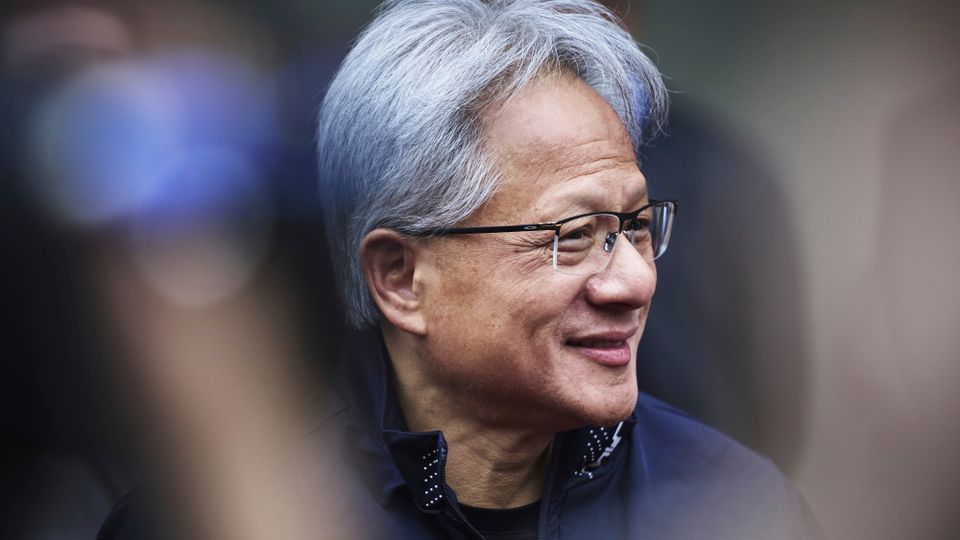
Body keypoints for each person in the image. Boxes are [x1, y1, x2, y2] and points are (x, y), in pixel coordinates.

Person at [100, 0, 822, 538]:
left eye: (634, 227)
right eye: (573, 236)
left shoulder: (736, 507)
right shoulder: (223, 518)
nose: (633, 282)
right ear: (399, 278)